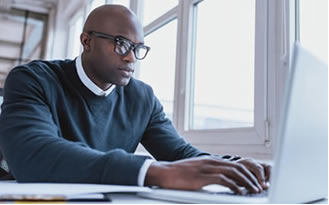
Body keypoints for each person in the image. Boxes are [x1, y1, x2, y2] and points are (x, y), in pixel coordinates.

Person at [0, 5, 270, 194]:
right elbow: (32, 155)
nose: (130, 57)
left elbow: (180, 155)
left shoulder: (142, 97)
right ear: (86, 41)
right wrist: (154, 172)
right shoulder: (33, 79)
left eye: (138, 48)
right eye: (121, 43)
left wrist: (234, 166)